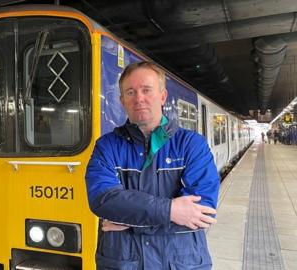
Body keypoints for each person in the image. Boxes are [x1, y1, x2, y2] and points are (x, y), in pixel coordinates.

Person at [85, 61, 220, 269]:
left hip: (181, 262)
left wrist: (129, 222)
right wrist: (171, 211)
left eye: (146, 90)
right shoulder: (106, 146)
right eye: (130, 92)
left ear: (163, 96)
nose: (139, 98)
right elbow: (103, 200)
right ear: (122, 101)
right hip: (122, 262)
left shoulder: (192, 145)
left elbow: (203, 212)